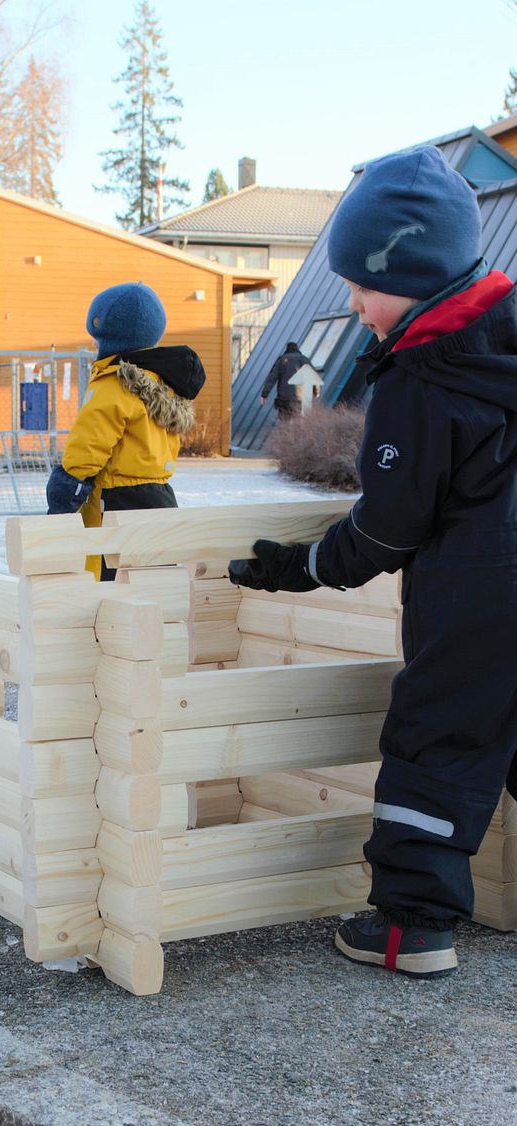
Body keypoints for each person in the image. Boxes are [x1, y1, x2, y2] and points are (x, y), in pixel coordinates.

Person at [229, 145, 517, 978]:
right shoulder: (498, 349)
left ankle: (410, 926)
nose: (353, 304)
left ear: (417, 271)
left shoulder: (420, 385)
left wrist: (305, 566)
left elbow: (390, 529)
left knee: (438, 737)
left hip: (479, 597)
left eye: (364, 285)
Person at [46, 281, 205, 578]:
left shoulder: (113, 385)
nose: (94, 344)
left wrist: (65, 489)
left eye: (97, 337)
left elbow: (88, 445)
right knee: (155, 580)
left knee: (115, 587)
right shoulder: (163, 384)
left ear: (111, 339)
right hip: (160, 500)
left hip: (117, 504)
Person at [258, 341, 312, 419]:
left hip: (284, 399)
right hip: (300, 398)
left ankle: (286, 430)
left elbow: (272, 378)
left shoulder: (281, 360)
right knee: (299, 422)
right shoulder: (304, 360)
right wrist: (316, 391)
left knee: (285, 422)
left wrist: (264, 395)